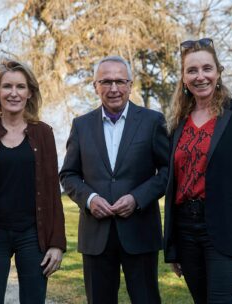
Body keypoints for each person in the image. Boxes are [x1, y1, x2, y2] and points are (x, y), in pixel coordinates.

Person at [60, 55, 168, 304]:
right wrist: (90, 199)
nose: (114, 88)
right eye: (106, 82)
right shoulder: (81, 125)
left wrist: (137, 198)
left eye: (120, 81)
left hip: (140, 231)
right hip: (96, 236)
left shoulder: (153, 122)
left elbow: (167, 171)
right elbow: (68, 174)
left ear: (131, 85)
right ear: (95, 86)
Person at [164, 38, 232, 303]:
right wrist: (171, 245)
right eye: (192, 70)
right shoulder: (176, 124)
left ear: (218, 72)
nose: (200, 76)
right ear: (184, 78)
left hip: (227, 227)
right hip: (186, 230)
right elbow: (173, 183)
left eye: (206, 68)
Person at [0, 59, 66, 304]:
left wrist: (57, 243)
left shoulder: (43, 133)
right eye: (7, 86)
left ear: (30, 92)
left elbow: (53, 191)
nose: (14, 93)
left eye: (20, 86)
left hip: (33, 233)